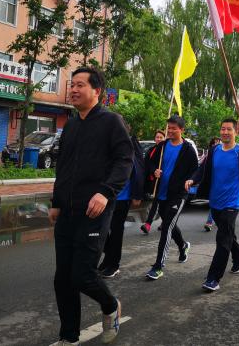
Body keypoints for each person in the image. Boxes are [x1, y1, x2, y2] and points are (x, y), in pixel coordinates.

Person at [49, 67, 134, 345]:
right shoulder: (71, 125)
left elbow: (124, 161)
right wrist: (56, 202)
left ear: (96, 91)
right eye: (72, 85)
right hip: (67, 212)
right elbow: (63, 166)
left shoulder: (111, 122)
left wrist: (105, 193)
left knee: (82, 275)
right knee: (63, 279)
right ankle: (69, 337)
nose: (73, 90)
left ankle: (110, 305)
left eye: (80, 85)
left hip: (94, 211)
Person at [185, 119, 239, 292]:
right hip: (215, 200)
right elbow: (202, 169)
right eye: (223, 129)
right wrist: (192, 179)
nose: (225, 132)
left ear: (236, 132)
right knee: (227, 233)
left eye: (229, 129)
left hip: (233, 201)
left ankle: (213, 278)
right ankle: (238, 256)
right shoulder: (214, 151)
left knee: (223, 238)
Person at [145, 115, 198, 280]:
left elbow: (195, 170)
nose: (170, 131)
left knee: (167, 227)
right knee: (170, 224)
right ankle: (183, 245)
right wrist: (154, 170)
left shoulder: (188, 149)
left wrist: (191, 180)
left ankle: (158, 266)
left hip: (178, 195)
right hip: (162, 193)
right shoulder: (161, 146)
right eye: (169, 128)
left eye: (174, 128)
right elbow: (148, 162)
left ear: (181, 130)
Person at [99, 126, 145, 278]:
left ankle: (113, 264)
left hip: (122, 196)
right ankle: (109, 258)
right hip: (105, 195)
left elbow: (139, 169)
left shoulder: (130, 143)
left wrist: (138, 194)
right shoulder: (107, 143)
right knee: (100, 230)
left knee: (116, 231)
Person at [140, 130, 166, 235]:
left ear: (164, 138)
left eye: (161, 137)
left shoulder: (166, 149)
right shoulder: (151, 150)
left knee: (161, 203)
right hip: (154, 180)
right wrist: (154, 170)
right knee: (156, 202)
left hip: (165, 180)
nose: (159, 139)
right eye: (157, 137)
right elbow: (148, 163)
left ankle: (150, 223)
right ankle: (150, 224)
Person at [201, 137, 221, 232]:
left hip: (224, 185)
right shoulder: (208, 154)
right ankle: (210, 221)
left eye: (218, 143)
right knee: (214, 202)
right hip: (213, 183)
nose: (216, 145)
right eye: (214, 143)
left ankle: (215, 220)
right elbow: (202, 167)